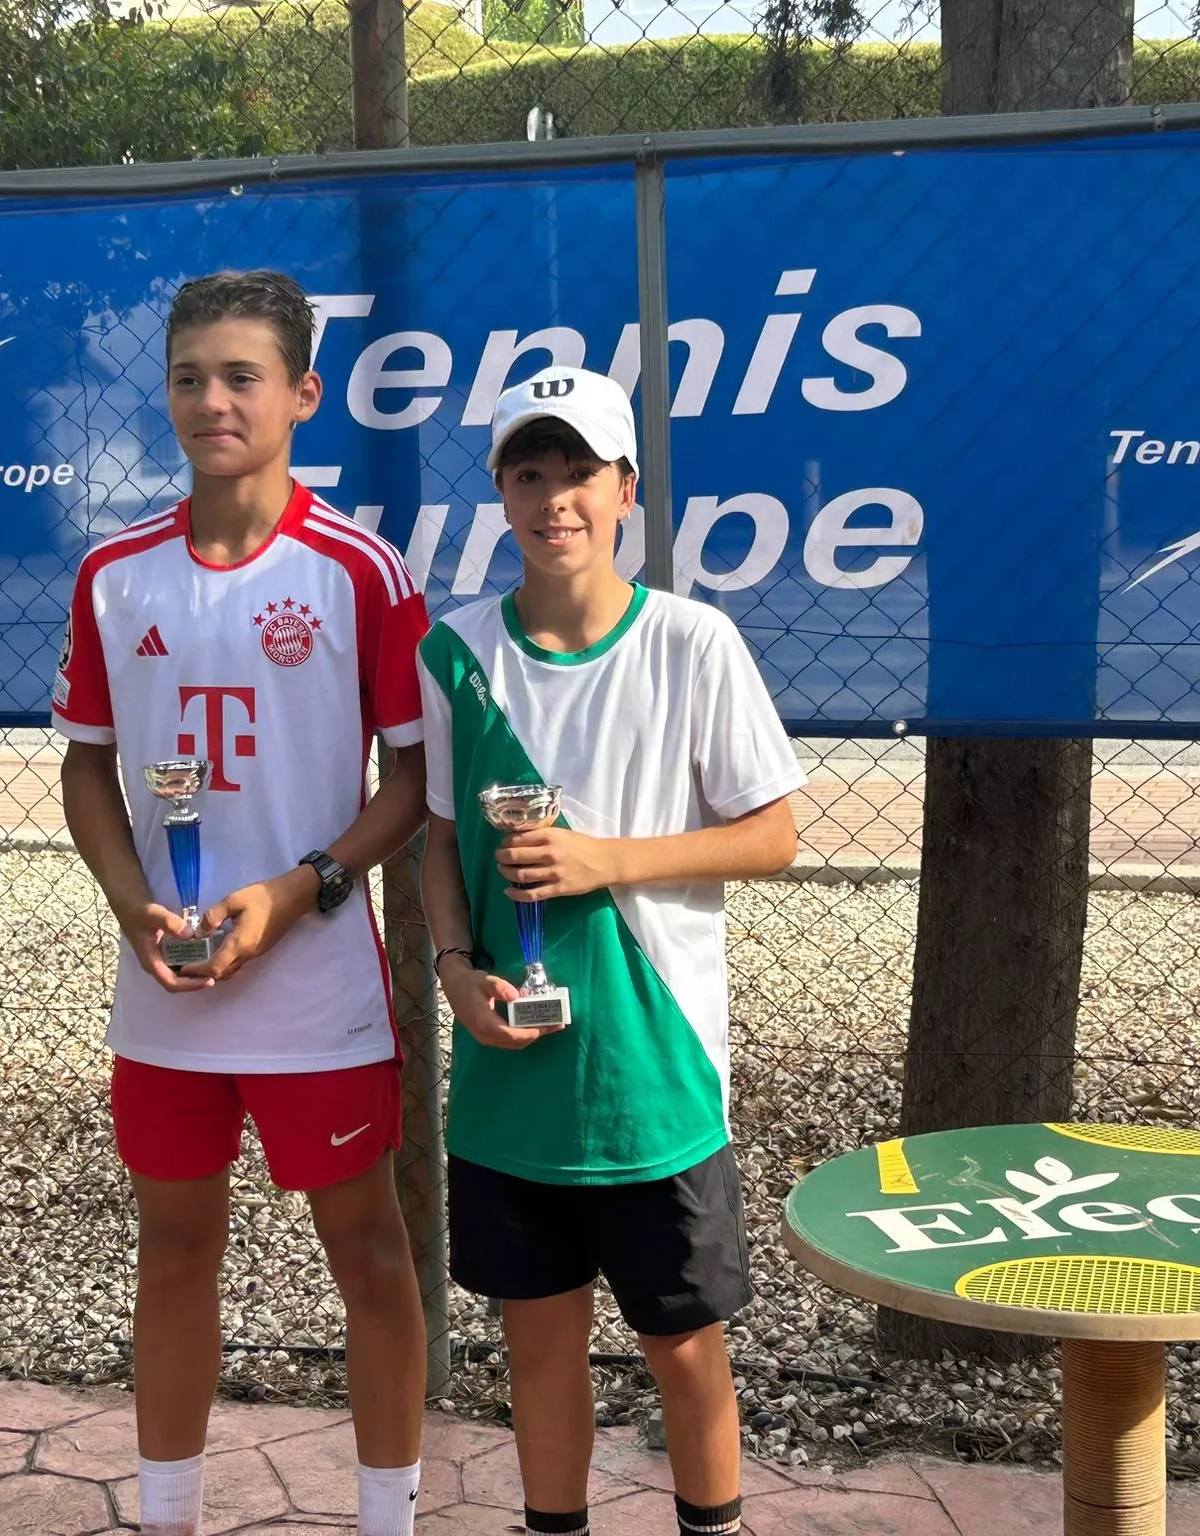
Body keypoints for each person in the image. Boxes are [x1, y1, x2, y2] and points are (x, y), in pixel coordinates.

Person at [52, 269, 429, 1536]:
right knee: (172, 1253)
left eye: (240, 376)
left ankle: (388, 1518)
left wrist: (302, 889)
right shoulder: (113, 574)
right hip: (167, 988)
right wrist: (129, 904)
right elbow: (87, 762)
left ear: (302, 396)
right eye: (187, 377)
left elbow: (413, 780)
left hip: (314, 983)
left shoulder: (360, 571)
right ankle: (167, 1517)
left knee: (368, 1257)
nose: (210, 400)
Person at [417, 366, 804, 1536]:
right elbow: (438, 839)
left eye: (578, 470)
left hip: (655, 1080)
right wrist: (450, 968)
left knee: (683, 1353)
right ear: (499, 493)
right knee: (537, 1351)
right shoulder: (455, 653)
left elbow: (775, 834)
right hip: (508, 1084)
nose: (555, 499)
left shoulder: (693, 643)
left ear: (624, 487)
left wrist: (604, 861)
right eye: (527, 474)